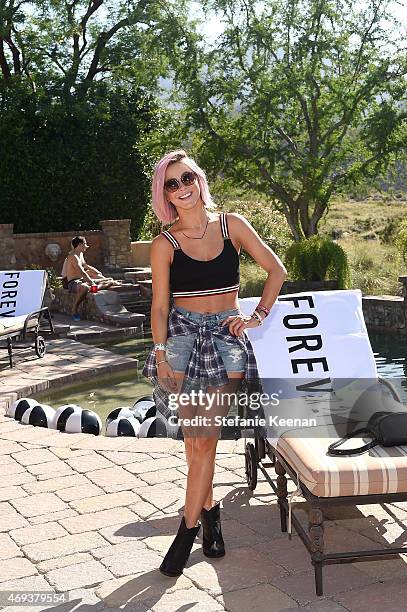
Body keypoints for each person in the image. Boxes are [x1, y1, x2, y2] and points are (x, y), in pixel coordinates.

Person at [142, 149, 287, 578]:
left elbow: (275, 270)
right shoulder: (163, 243)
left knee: (205, 439)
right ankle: (211, 515)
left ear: (199, 180)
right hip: (183, 340)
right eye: (172, 184)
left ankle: (185, 534)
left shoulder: (232, 225)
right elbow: (159, 306)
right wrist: (162, 352)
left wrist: (257, 316)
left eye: (187, 178)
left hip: (225, 339)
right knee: (193, 441)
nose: (182, 188)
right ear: (164, 194)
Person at [61, 236, 124, 321]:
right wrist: (92, 283)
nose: (86, 246)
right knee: (85, 287)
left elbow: (86, 266)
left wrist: (98, 273)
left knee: (109, 281)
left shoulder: (80, 255)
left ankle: (102, 285)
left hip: (82, 280)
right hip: (73, 282)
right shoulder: (73, 257)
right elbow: (82, 272)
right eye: (85, 243)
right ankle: (74, 310)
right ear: (80, 245)